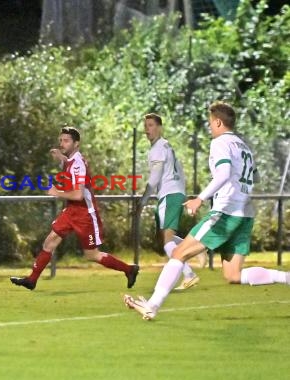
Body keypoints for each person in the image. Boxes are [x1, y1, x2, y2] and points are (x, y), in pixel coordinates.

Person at [124, 101, 290, 320]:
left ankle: (152, 305)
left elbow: (223, 173)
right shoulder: (243, 145)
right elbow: (255, 176)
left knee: (179, 253)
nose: (210, 127)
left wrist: (200, 199)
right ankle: (286, 278)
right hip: (245, 213)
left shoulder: (220, 142)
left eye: (211, 122)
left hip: (226, 212)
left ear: (219, 122)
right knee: (233, 274)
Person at [10, 125, 140, 290]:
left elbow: (78, 195)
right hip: (71, 211)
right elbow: (71, 165)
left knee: (91, 254)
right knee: (49, 242)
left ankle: (129, 269)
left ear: (76, 143)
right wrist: (62, 158)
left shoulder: (78, 163)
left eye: (66, 141)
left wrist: (57, 192)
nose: (62, 143)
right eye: (61, 140)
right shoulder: (72, 159)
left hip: (85, 214)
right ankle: (32, 280)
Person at [137, 113, 205, 290]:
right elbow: (180, 172)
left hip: (169, 195)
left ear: (159, 127)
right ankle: (196, 247)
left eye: (151, 125)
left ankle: (189, 274)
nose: (147, 129)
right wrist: (181, 192)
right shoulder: (168, 147)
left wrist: (143, 199)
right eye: (146, 126)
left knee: (167, 242)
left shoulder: (158, 148)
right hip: (173, 194)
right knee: (163, 237)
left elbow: (155, 177)